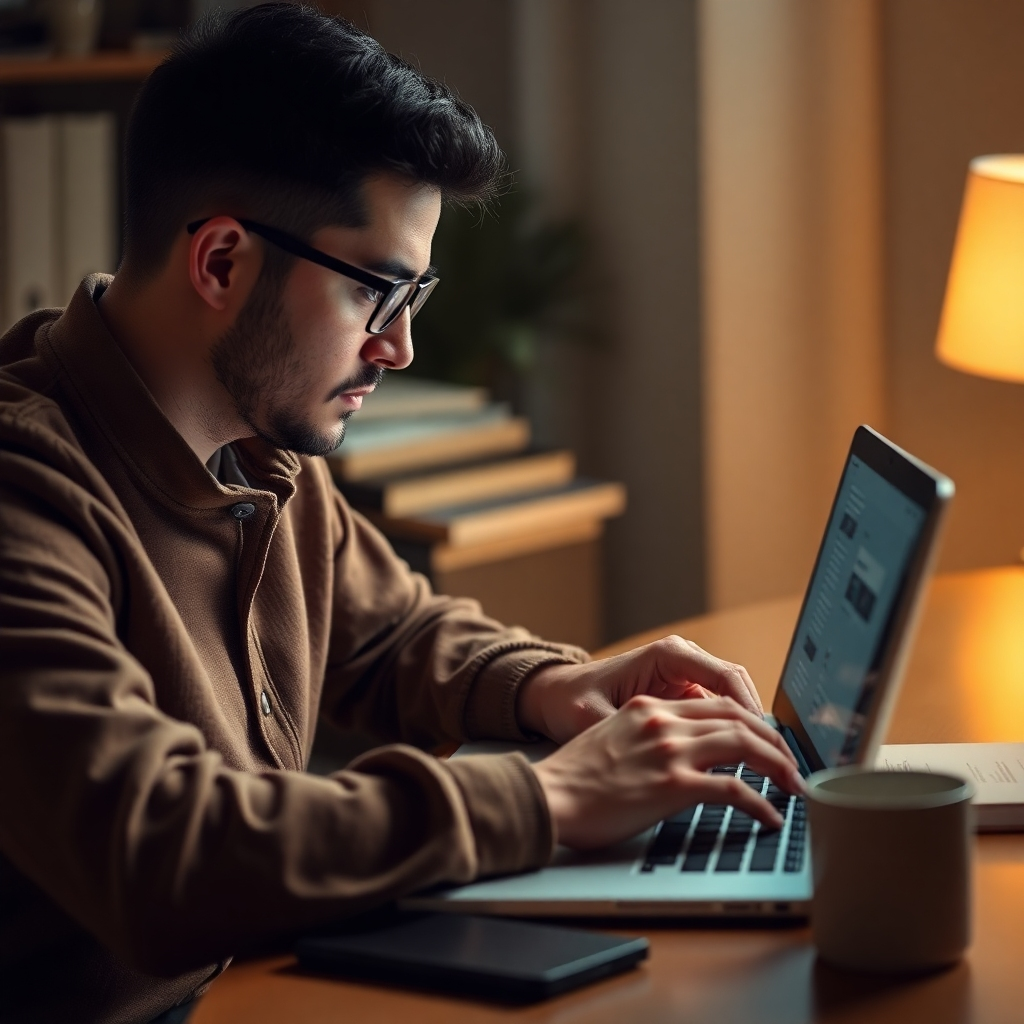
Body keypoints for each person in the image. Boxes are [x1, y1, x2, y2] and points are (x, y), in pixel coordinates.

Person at [0, 6, 802, 1022]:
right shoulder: (26, 489)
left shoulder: (254, 439)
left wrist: (555, 687)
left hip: (251, 979)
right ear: (221, 262)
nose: (400, 348)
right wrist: (549, 798)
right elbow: (158, 849)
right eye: (378, 294)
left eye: (417, 294)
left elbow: (389, 632)